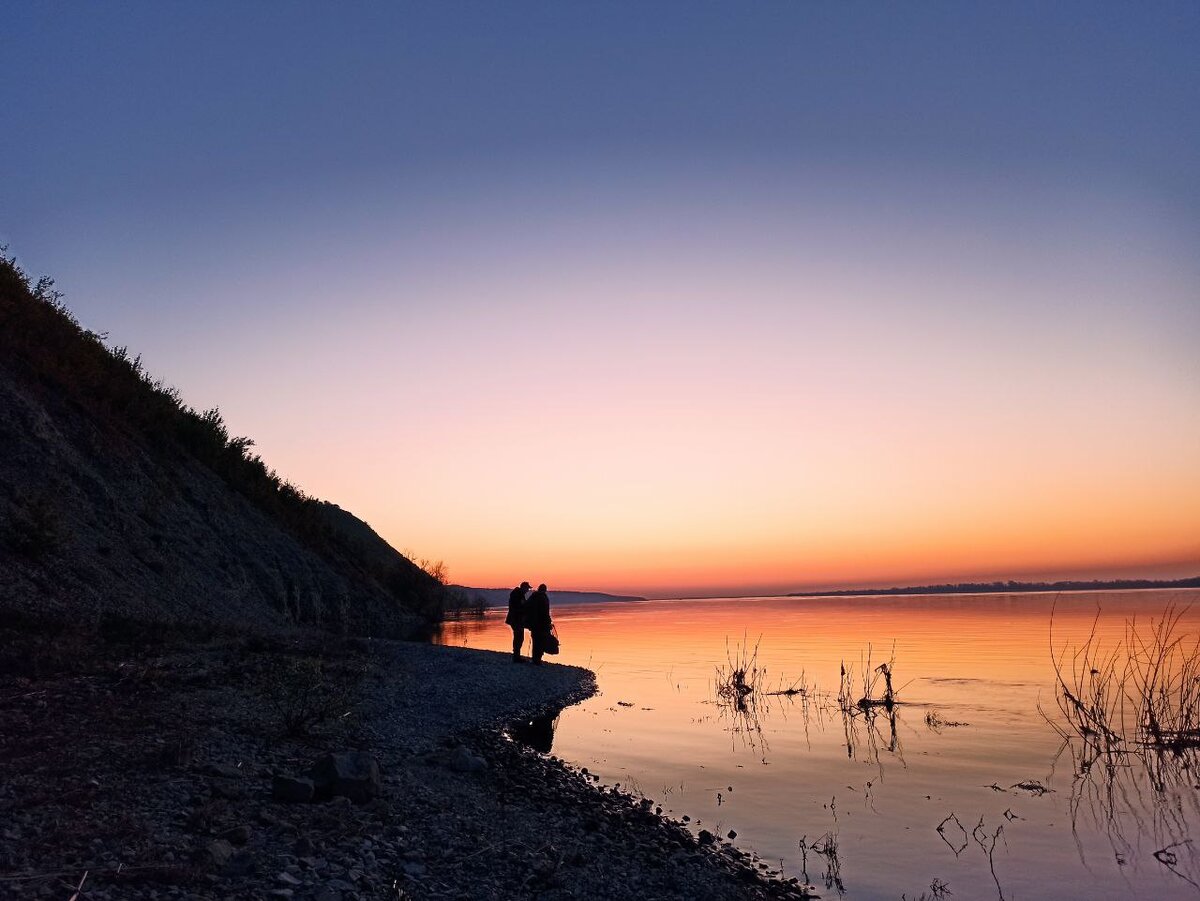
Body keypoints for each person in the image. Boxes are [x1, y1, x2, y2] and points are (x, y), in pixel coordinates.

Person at [525, 583, 552, 665]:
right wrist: (548, 622)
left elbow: (528, 607)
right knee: (540, 641)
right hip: (541, 624)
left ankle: (535, 659)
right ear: (544, 590)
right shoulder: (542, 597)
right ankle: (537, 660)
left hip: (534, 624)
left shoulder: (533, 597)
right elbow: (545, 613)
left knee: (536, 641)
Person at [506, 581, 530, 661]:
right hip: (516, 619)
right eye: (527, 588)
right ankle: (516, 657)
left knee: (519, 638)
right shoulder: (517, 595)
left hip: (516, 619)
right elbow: (517, 607)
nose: (528, 590)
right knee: (518, 638)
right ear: (523, 587)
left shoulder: (519, 594)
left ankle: (516, 655)